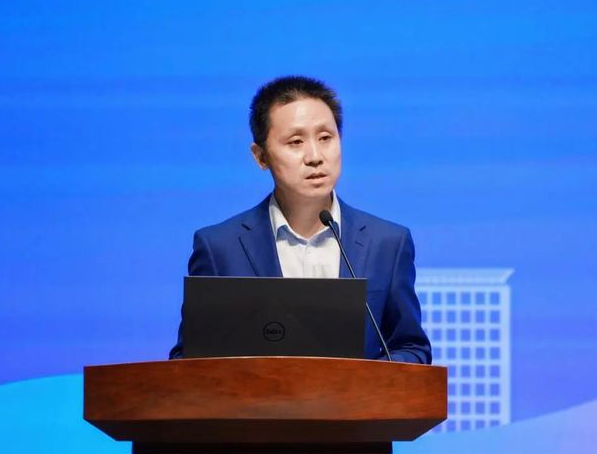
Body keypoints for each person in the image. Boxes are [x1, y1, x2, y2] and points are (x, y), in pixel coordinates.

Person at [169, 75, 431, 363]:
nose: (315, 156)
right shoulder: (220, 248)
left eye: (326, 138)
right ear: (260, 156)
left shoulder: (387, 244)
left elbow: (412, 348)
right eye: (296, 142)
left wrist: (362, 382)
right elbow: (188, 360)